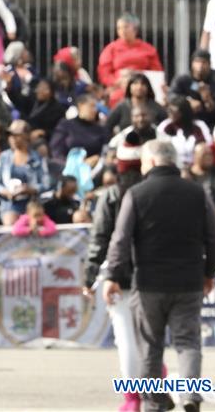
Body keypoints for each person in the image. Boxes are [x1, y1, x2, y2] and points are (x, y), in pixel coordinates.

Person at [104, 140, 215, 412]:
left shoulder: (136, 194)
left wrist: (112, 274)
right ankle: (191, 396)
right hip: (189, 282)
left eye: (144, 161)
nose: (142, 167)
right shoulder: (197, 192)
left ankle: (154, 402)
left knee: (151, 347)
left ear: (154, 161)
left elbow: (120, 240)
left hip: (148, 285)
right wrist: (209, 271)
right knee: (188, 343)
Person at [84, 174, 141, 412]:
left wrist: (92, 275)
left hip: (123, 277)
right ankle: (156, 388)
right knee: (151, 340)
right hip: (161, 277)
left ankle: (134, 399)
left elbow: (103, 238)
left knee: (127, 340)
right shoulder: (169, 187)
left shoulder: (114, 194)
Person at [0, 120, 51, 226]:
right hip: (10, 203)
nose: (12, 138)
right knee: (11, 222)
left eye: (16, 135)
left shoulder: (37, 158)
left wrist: (30, 189)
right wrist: (6, 192)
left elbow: (46, 184)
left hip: (33, 203)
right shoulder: (3, 157)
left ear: (26, 136)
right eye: (10, 135)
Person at [98, 13, 163, 106]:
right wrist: (118, 81)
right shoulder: (110, 49)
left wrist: (137, 75)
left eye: (125, 27)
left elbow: (157, 73)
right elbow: (104, 73)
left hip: (143, 88)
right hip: (118, 89)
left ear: (135, 29)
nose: (122, 31)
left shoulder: (149, 49)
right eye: (119, 28)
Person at [169, 49, 215, 127]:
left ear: (209, 64)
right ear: (192, 63)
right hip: (184, 122)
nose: (200, 65)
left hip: (209, 124)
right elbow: (172, 96)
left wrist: (208, 100)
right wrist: (187, 102)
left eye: (204, 62)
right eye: (197, 61)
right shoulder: (183, 80)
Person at [49, 94, 110, 162]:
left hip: (93, 168)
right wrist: (69, 165)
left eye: (95, 107)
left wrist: (97, 158)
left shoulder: (101, 130)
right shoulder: (65, 125)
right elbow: (56, 149)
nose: (95, 110)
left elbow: (105, 151)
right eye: (91, 106)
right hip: (65, 166)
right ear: (80, 106)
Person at [156, 95, 212, 169]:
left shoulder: (199, 125)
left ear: (184, 112)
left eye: (173, 111)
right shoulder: (165, 126)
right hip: (173, 167)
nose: (170, 113)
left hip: (196, 167)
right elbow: (161, 150)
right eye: (169, 110)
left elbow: (208, 145)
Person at [188, 142, 215, 219]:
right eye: (204, 154)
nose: (209, 157)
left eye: (210, 154)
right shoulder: (186, 176)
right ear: (194, 156)